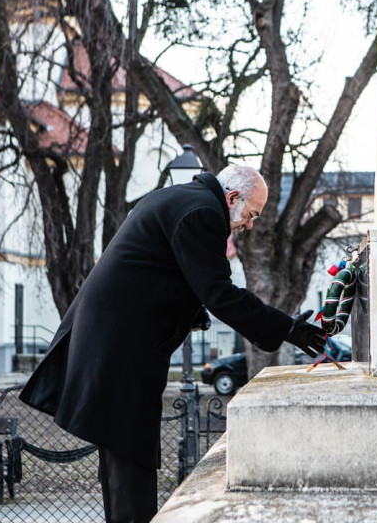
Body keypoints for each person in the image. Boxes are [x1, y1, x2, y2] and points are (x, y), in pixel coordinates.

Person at [20, 165, 326, 523]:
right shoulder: (202, 213)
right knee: (130, 460)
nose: (249, 224)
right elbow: (221, 294)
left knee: (124, 459)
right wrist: (287, 328)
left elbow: (168, 274)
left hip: (113, 344)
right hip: (122, 350)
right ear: (231, 198)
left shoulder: (182, 199)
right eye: (251, 213)